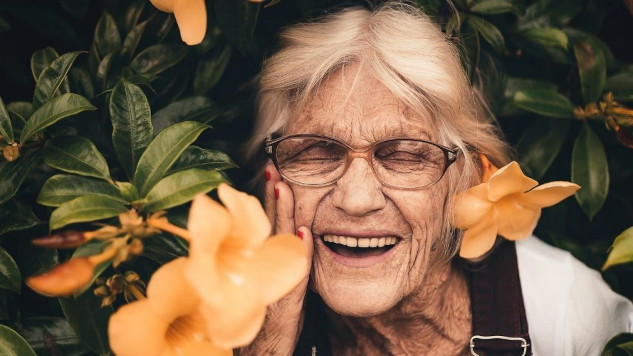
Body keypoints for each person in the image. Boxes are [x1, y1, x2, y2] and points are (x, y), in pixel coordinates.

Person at [241, 2, 633, 355]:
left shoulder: (569, 313)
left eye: (404, 155)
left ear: (463, 179)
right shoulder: (226, 316)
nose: (356, 199)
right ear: (271, 176)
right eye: (316, 151)